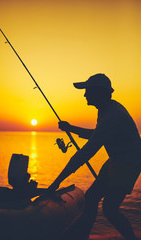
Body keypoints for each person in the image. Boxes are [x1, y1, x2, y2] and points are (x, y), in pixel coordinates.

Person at [47, 73, 141, 240]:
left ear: (99, 92)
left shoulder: (113, 116)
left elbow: (86, 153)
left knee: (109, 209)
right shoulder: (105, 110)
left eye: (87, 91)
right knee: (90, 199)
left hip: (129, 163)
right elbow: (98, 134)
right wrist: (71, 128)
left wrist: (57, 181)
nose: (84, 95)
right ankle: (83, 235)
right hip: (115, 160)